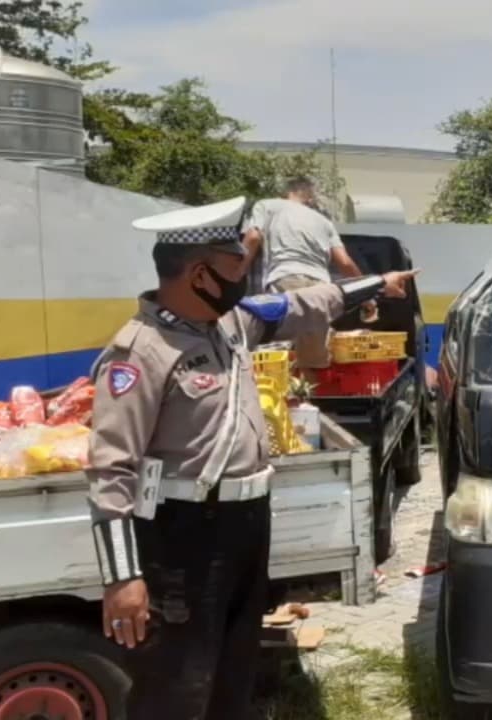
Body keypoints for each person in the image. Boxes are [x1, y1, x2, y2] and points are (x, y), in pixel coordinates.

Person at [86, 196, 418, 719]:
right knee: (177, 682)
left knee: (233, 671)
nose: (248, 271)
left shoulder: (230, 324)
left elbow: (303, 305)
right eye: (237, 262)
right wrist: (122, 577)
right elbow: (111, 468)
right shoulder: (141, 351)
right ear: (200, 273)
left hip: (245, 524)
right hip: (183, 534)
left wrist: (380, 284)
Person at [242, 177, 376, 372]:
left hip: (285, 278)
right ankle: (309, 399)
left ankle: (281, 398)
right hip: (320, 289)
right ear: (310, 198)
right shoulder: (323, 221)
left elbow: (253, 237)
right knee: (312, 362)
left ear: (286, 193)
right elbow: (345, 263)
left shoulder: (267, 205)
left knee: (280, 356)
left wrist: (236, 271)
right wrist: (367, 296)